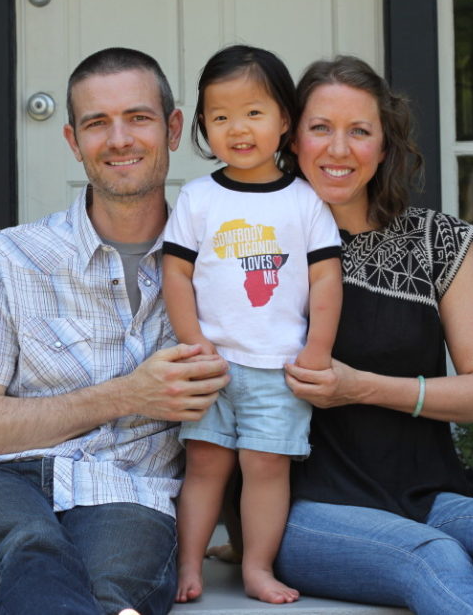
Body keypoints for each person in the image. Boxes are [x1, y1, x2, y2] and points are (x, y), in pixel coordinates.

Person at [258, 55, 473, 614]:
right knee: (433, 557)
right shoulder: (259, 245)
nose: (338, 150)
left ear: (384, 147)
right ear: (291, 139)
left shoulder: (437, 241)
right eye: (320, 128)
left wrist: (358, 386)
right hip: (305, 509)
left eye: (359, 131)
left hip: (429, 496)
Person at [0, 47, 230, 615]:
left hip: (129, 492)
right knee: (29, 549)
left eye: (138, 118)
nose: (118, 139)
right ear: (72, 141)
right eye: (96, 123)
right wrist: (129, 394)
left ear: (174, 128)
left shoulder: (219, 264)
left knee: (115, 590)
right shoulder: (8, 256)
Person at [162, 45, 342, 605]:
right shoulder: (197, 198)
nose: (237, 128)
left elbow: (326, 283)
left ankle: (257, 567)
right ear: (202, 127)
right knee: (204, 466)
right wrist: (192, 344)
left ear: (285, 119)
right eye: (220, 117)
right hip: (211, 365)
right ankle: (188, 563)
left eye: (254, 113)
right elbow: (176, 275)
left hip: (277, 368)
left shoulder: (306, 202)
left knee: (266, 469)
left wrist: (317, 350)